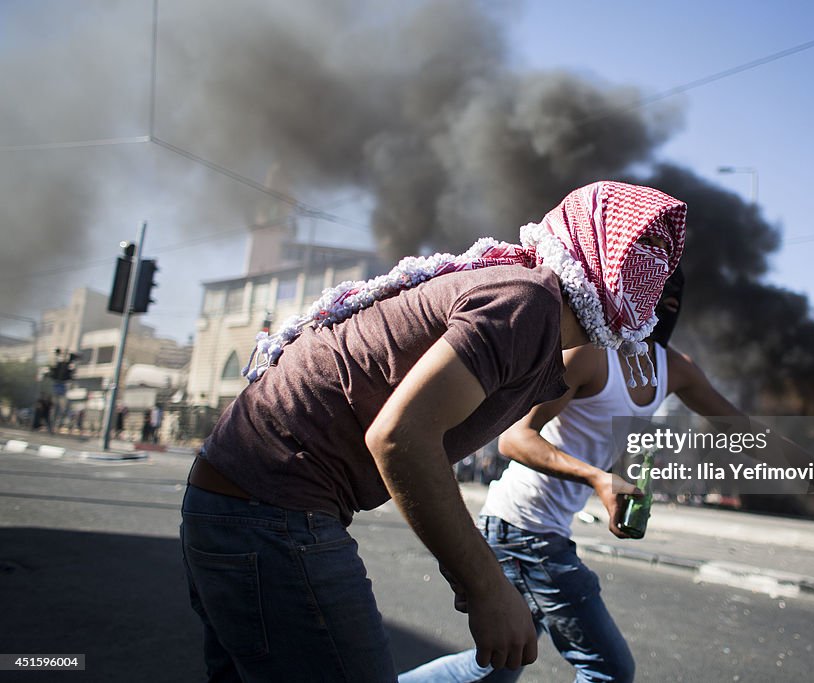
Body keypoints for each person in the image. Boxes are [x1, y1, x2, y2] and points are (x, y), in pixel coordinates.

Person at [180, 181, 687, 682]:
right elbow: (400, 438)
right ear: (597, 246)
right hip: (268, 510)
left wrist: (468, 566)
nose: (656, 279)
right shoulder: (529, 305)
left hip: (239, 503)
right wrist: (487, 586)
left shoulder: (540, 325)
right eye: (641, 252)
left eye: (663, 263)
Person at [399, 267, 748, 683]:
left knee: (497, 669)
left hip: (540, 528)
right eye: (657, 289)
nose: (667, 302)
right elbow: (515, 439)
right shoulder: (590, 352)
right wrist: (599, 479)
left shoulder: (674, 368)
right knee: (609, 670)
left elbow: (744, 428)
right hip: (522, 526)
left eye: (674, 296)